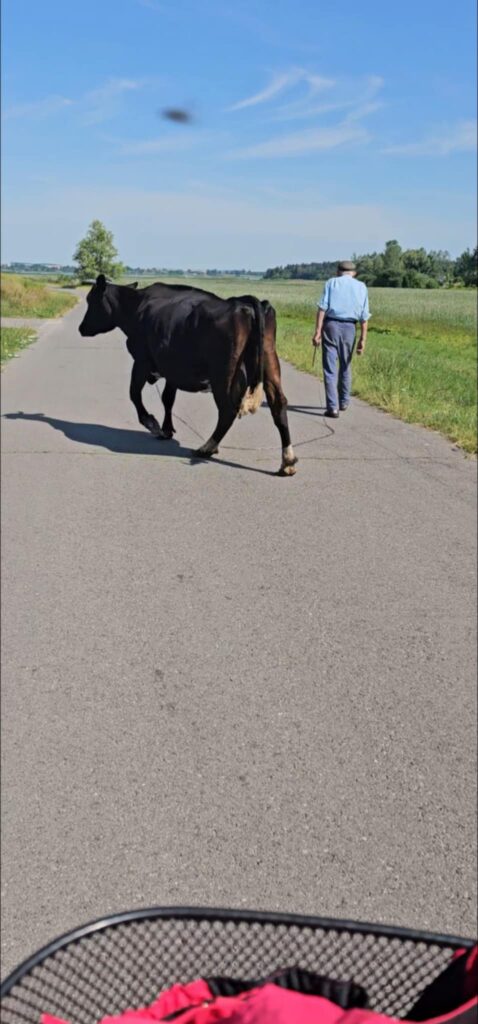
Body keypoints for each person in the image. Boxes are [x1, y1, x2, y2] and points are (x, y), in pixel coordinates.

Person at [312, 260, 371, 418]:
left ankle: (332, 407)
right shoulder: (361, 287)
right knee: (345, 365)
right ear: (354, 273)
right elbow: (364, 317)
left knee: (330, 369)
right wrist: (362, 339)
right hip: (350, 328)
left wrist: (317, 331)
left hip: (331, 325)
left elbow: (322, 308)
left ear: (338, 271)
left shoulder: (331, 283)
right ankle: (344, 402)